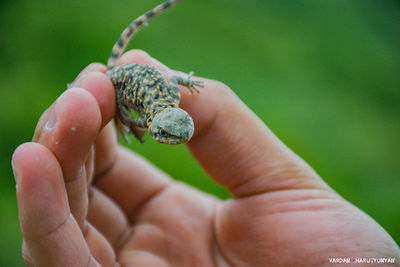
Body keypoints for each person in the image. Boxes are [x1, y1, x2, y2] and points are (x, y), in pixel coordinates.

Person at [11, 50, 400, 266]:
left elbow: (173, 80)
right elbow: (141, 100)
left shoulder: (175, 101)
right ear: (156, 123)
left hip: (137, 80)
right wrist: (128, 124)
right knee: (94, 98)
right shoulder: (147, 114)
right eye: (165, 134)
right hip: (122, 81)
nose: (174, 140)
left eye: (179, 133)